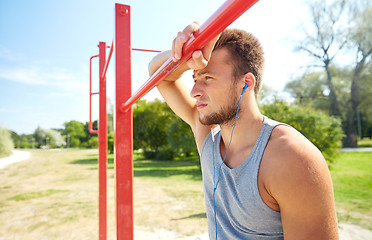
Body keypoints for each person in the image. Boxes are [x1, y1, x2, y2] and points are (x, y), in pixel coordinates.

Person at [148, 22, 339, 240]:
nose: (194, 92)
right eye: (194, 79)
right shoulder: (209, 139)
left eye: (208, 78)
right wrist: (188, 52)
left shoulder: (291, 157)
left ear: (246, 84)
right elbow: (157, 73)